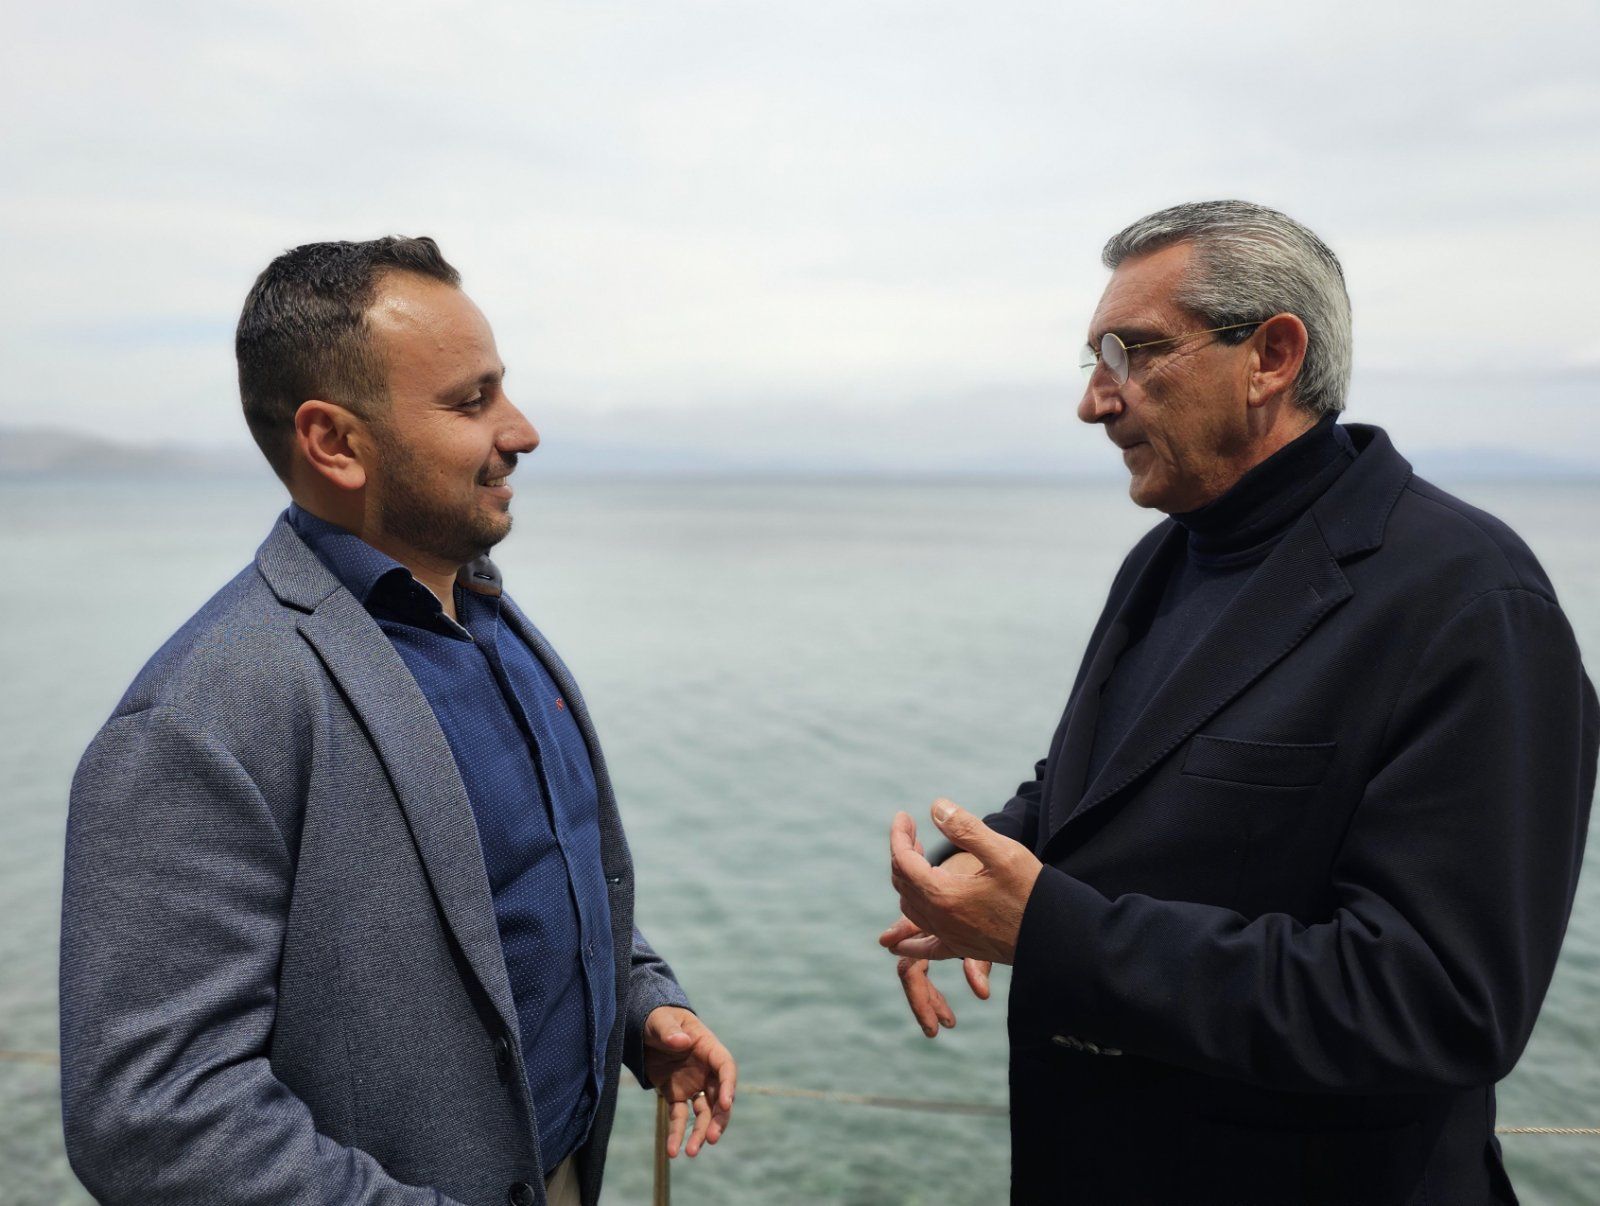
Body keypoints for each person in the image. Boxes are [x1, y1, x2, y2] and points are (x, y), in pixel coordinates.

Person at [881, 200, 1598, 1205]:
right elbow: (1111, 779)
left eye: (1131, 353)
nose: (1094, 401)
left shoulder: (1471, 600)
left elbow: (1439, 1003)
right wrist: (994, 856)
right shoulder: (1165, 556)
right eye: (1092, 359)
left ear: (1271, 356)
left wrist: (1047, 930)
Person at [60, 236, 735, 1206]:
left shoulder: (491, 621)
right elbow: (154, 1115)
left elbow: (522, 888)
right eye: (471, 401)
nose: (522, 430)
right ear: (334, 442)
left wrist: (642, 1005)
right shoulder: (201, 715)